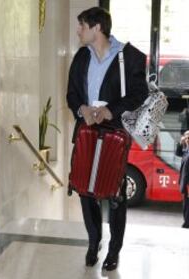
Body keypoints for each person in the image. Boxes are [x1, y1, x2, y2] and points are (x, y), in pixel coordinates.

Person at [66, 7, 148, 270]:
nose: (79, 31)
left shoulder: (130, 57)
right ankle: (94, 242)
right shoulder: (81, 57)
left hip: (115, 135)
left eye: (82, 26)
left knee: (115, 194)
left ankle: (114, 250)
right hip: (86, 133)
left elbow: (139, 94)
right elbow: (71, 94)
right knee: (85, 189)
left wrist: (110, 110)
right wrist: (83, 109)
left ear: (96, 28)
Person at [175, 130, 189, 228]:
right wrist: (181, 142)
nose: (187, 139)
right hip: (185, 181)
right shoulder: (186, 149)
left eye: (188, 137)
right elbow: (178, 153)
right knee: (186, 204)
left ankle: (187, 223)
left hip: (188, 183)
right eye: (186, 137)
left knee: (187, 205)